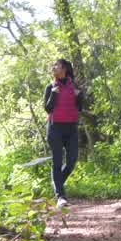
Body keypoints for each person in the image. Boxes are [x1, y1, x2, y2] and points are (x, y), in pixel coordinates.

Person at [43, 58, 85, 207]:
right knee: (57, 161)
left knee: (72, 160)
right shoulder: (50, 86)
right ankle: (60, 195)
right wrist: (54, 94)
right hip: (55, 128)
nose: (54, 67)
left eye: (57, 65)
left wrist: (79, 96)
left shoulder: (74, 86)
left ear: (64, 69)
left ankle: (57, 183)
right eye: (54, 66)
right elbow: (47, 109)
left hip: (71, 128)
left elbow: (79, 108)